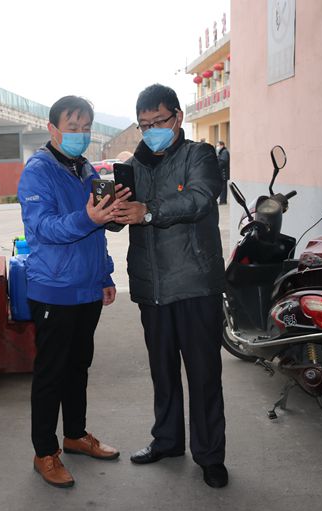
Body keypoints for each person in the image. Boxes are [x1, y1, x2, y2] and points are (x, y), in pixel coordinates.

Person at [112, 84, 228, 489]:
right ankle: (167, 440)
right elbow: (122, 217)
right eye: (143, 125)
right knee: (162, 372)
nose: (151, 131)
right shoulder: (134, 165)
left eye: (158, 122)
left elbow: (199, 199)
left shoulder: (200, 155)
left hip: (195, 283)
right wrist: (110, 210)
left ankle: (210, 456)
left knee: (204, 374)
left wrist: (148, 211)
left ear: (177, 117)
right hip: (151, 286)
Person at [18, 95, 129, 488]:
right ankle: (45, 452)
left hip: (86, 288)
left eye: (86, 128)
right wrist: (88, 216)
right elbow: (43, 228)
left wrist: (105, 275)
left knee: (78, 366)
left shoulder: (86, 168)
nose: (80, 135)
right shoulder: (38, 171)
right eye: (72, 127)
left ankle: (76, 435)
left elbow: (99, 229)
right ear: (53, 129)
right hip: (54, 289)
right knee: (51, 373)